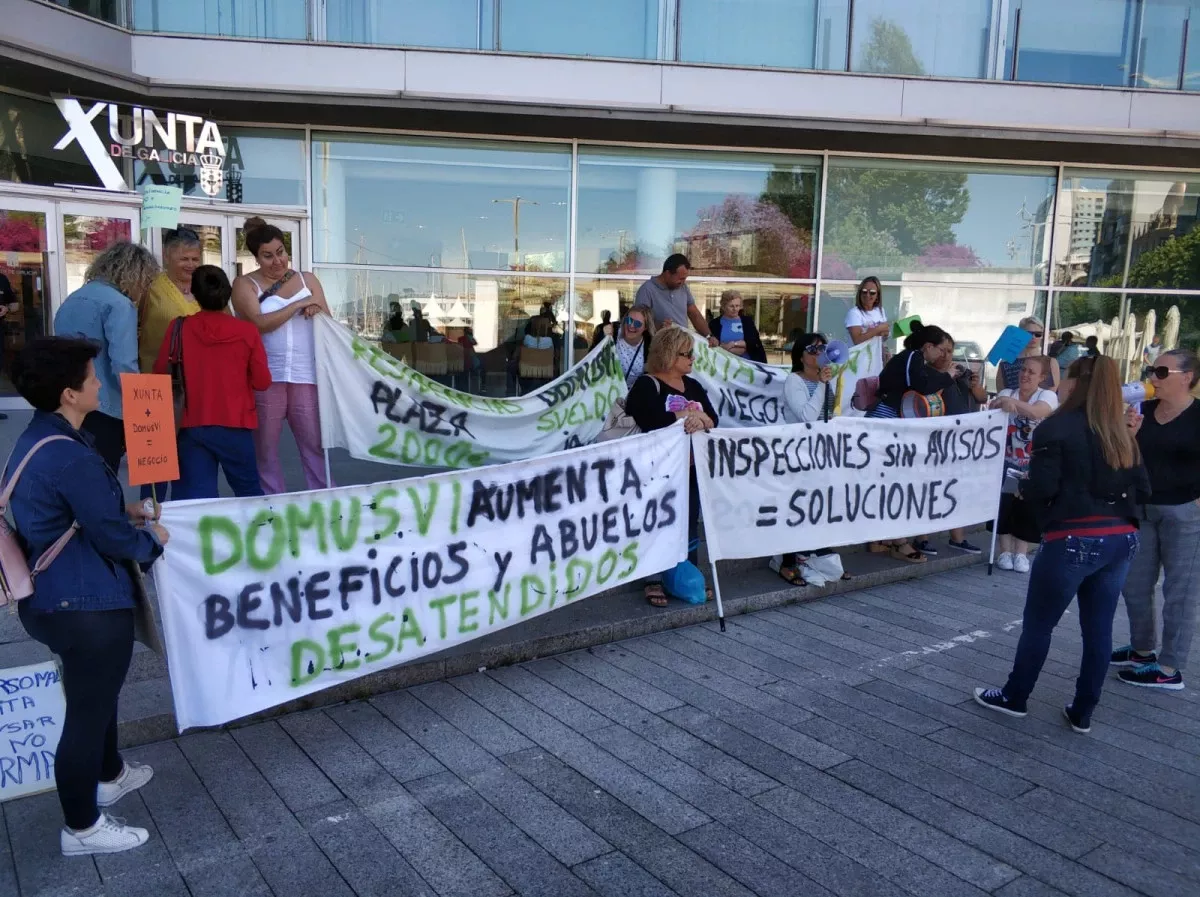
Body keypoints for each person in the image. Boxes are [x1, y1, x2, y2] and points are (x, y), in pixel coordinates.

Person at [7, 337, 168, 855]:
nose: (101, 383)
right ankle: (83, 827)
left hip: (54, 598)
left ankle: (110, 772)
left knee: (94, 697)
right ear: (70, 392)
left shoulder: (39, 439)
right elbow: (111, 537)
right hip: (87, 606)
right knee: (85, 714)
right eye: (92, 376)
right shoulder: (70, 455)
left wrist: (128, 510)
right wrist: (150, 539)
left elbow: (77, 511)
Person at [974, 355, 1148, 732]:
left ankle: (1015, 696)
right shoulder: (1119, 429)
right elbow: (1143, 486)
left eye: (1063, 380)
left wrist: (1022, 485)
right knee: (1099, 629)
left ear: (1073, 384)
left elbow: (1041, 489)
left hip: (1075, 536)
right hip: (1122, 537)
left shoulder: (1058, 427)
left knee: (1039, 624)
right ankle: (1083, 710)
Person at [1115, 350, 1200, 690]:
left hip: (1185, 513)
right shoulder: (1142, 412)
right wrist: (1127, 435)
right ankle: (1142, 650)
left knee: (1181, 591)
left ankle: (1169, 668)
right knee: (1134, 585)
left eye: (1162, 371)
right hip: (1143, 509)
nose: (1153, 377)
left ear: (1187, 377)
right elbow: (1121, 457)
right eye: (1152, 370)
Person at [231, 217, 332, 495]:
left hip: (305, 374)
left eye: (281, 252)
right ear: (255, 258)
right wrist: (300, 303)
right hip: (267, 377)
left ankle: (325, 500)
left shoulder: (307, 279)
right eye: (267, 256)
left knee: (314, 445)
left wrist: (317, 310)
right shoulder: (244, 284)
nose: (277, 261)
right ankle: (272, 505)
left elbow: (328, 322)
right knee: (265, 450)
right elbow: (257, 323)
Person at [153, 266, 271, 500]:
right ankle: (258, 536)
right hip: (236, 423)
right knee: (249, 495)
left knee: (194, 499)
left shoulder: (178, 327)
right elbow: (262, 382)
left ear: (194, 295)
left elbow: (160, 374)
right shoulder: (247, 332)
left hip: (189, 423)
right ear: (227, 293)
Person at [624, 326, 717, 607]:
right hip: (654, 472)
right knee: (655, 522)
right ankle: (653, 579)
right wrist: (686, 414)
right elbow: (649, 418)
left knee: (689, 522)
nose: (692, 359)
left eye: (692, 353)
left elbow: (713, 418)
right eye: (685, 353)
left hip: (689, 469)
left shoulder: (694, 386)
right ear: (667, 355)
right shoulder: (646, 384)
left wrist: (700, 420)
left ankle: (687, 573)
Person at [52, 242, 159, 473]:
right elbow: (124, 364)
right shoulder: (120, 304)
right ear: (135, 274)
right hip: (104, 406)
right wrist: (142, 406)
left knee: (74, 474)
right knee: (103, 476)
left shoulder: (74, 298)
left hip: (66, 402)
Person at [865, 323, 956, 563]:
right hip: (887, 420)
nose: (943, 355)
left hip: (890, 419)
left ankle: (881, 538)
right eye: (941, 350)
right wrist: (948, 377)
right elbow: (922, 386)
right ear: (928, 346)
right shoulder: (913, 358)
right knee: (897, 481)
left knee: (887, 481)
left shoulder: (910, 358)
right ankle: (898, 541)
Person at [777, 333, 850, 585]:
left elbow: (830, 413)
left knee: (819, 505)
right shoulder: (793, 381)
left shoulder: (827, 379)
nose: (820, 352)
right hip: (798, 453)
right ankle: (787, 562)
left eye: (823, 348)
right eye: (813, 348)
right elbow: (807, 416)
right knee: (796, 506)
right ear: (801, 355)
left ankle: (818, 555)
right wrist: (821, 384)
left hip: (821, 452)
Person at [990, 356, 1059, 572]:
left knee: (1027, 507)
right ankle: (1005, 552)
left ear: (1042, 377)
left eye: (1031, 372)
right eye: (1023, 370)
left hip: (1033, 463)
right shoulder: (1006, 393)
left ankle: (1021, 553)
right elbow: (994, 407)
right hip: (1006, 460)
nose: (1025, 375)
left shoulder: (1046, 395)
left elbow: (1038, 411)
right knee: (1006, 505)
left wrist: (1013, 405)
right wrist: (1005, 402)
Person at [920, 335, 986, 556]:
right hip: (934, 439)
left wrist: (974, 385)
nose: (946, 355)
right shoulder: (925, 373)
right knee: (930, 489)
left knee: (956, 487)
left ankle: (957, 537)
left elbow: (981, 398)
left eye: (950, 351)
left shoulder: (961, 373)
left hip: (959, 439)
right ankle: (922, 537)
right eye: (942, 350)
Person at [139, 228, 201, 374]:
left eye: (195, 259)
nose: (191, 265)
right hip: (157, 375)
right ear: (167, 257)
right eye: (184, 259)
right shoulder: (150, 286)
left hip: (198, 375)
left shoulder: (207, 285)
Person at [633, 254, 718, 346]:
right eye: (681, 278)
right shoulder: (647, 289)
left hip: (682, 345)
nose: (683, 282)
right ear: (667, 273)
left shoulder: (683, 287)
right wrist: (659, 327)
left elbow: (694, 314)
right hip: (659, 347)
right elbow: (638, 322)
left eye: (685, 278)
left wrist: (709, 336)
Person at [997, 316, 1058, 393]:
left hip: (1040, 404)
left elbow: (1051, 395)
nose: (1033, 337)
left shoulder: (1051, 362)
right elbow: (1001, 392)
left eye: (1038, 334)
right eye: (1028, 333)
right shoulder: (1006, 362)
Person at [709, 290, 766, 362]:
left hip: (748, 366)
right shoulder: (714, 324)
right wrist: (740, 345)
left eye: (737, 306)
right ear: (723, 306)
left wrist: (731, 345)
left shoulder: (747, 322)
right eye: (731, 306)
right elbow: (713, 346)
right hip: (722, 366)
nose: (735, 309)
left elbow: (753, 343)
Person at [844, 276, 889, 357]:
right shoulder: (854, 313)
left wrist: (884, 333)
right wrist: (878, 329)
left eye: (872, 292)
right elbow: (857, 340)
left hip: (875, 358)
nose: (867, 295)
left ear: (877, 295)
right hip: (858, 360)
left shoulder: (880, 310)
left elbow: (884, 335)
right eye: (864, 291)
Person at [614, 306, 652, 390]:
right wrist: (604, 338)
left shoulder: (650, 345)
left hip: (633, 397)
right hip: (608, 394)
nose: (631, 325)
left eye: (637, 323)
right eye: (629, 320)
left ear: (645, 327)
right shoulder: (613, 334)